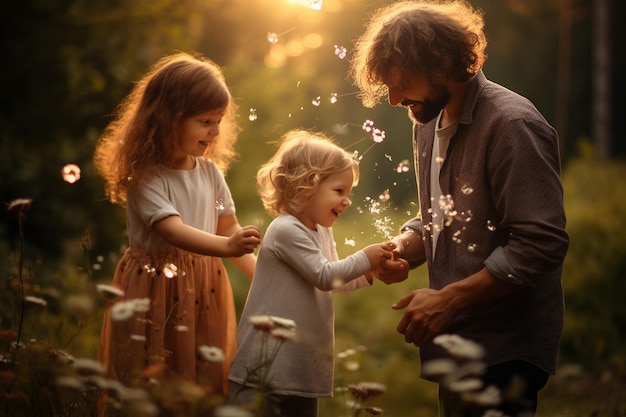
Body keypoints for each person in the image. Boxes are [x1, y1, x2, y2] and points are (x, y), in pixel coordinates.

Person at [349, 1, 569, 416]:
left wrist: (448, 299)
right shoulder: (428, 121)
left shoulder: (512, 125)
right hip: (457, 340)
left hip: (503, 348)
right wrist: (405, 246)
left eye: (402, 82)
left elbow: (541, 244)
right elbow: (444, 212)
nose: (394, 98)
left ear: (443, 62)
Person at [93, 52, 261, 404]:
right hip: (156, 286)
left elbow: (227, 224)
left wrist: (264, 276)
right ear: (168, 119)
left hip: (205, 289)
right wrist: (228, 246)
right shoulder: (146, 176)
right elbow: (172, 230)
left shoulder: (209, 172)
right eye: (204, 121)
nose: (214, 132)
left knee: (201, 374)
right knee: (154, 375)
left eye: (218, 121)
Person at [227, 130, 396, 417]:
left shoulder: (321, 230)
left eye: (349, 193)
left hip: (299, 365)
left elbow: (335, 281)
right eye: (339, 191)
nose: (347, 201)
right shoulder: (285, 230)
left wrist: (372, 272)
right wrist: (366, 257)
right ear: (305, 186)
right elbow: (325, 275)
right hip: (266, 367)